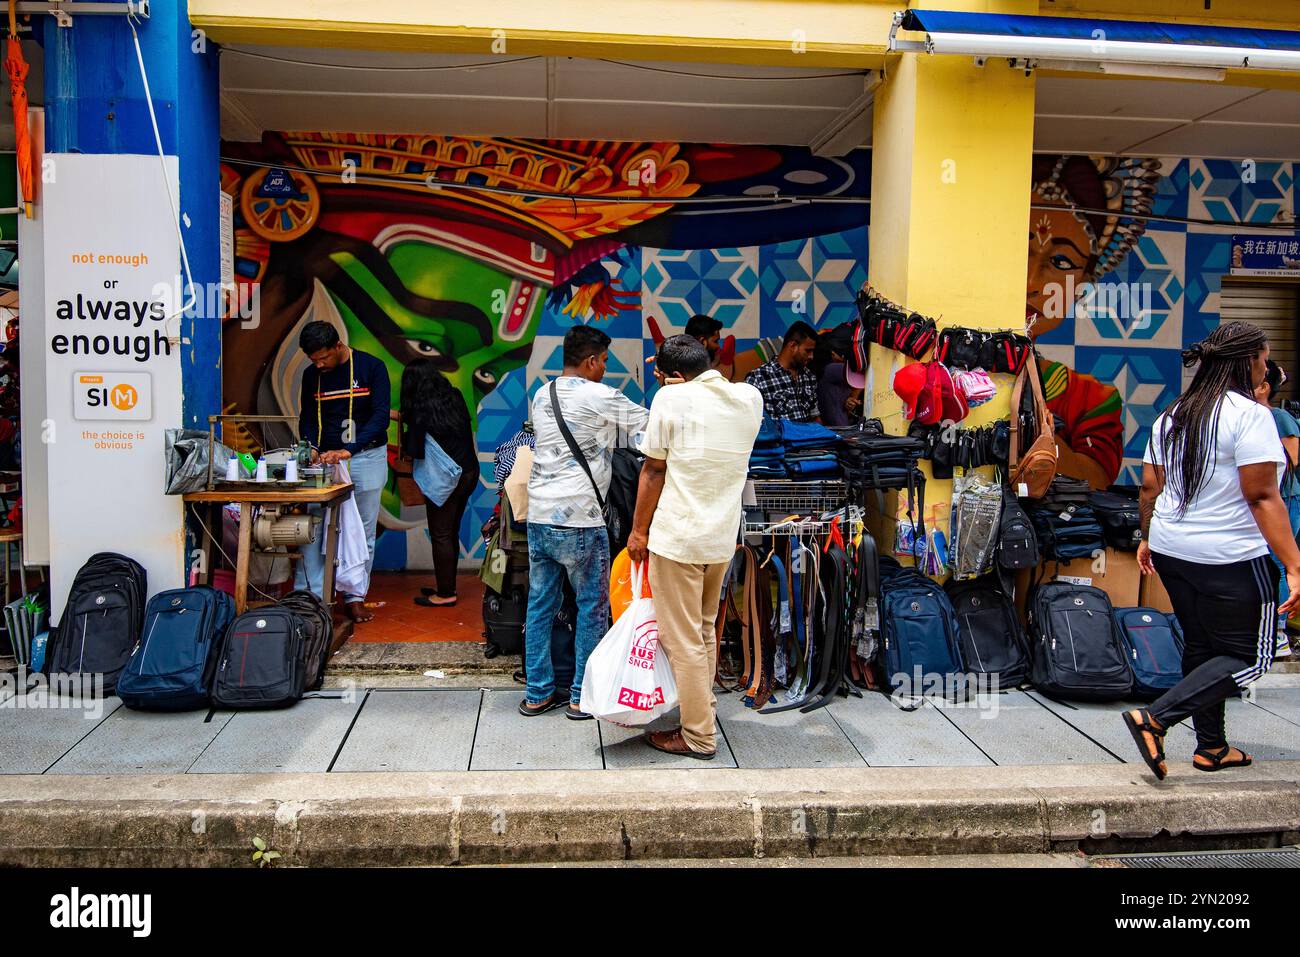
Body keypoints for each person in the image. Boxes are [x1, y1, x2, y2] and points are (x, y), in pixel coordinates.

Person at [1125, 321, 1300, 780]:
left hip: (1171, 549)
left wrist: (1146, 537)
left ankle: (1212, 748)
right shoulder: (1250, 416)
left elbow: (1149, 487)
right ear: (1248, 361)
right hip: (1231, 556)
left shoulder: (1172, 414)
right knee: (1251, 655)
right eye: (1263, 357)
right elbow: (1263, 497)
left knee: (1202, 646)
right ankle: (1156, 718)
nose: (1267, 366)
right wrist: (1295, 565)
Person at [627, 335, 762, 758]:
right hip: (719, 540)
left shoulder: (671, 400)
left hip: (679, 538)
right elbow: (716, 385)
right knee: (703, 631)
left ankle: (699, 736)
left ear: (673, 376)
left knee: (681, 638)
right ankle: (701, 713)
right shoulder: (749, 398)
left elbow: (652, 470)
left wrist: (637, 532)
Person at [520, 325, 649, 720]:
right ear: (592, 361)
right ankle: (581, 695)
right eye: (605, 361)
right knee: (591, 607)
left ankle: (537, 693)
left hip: (539, 516)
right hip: (581, 519)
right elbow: (656, 429)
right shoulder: (602, 395)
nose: (605, 369)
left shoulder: (543, 394)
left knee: (540, 606)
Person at [296, 321, 391, 623]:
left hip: (366, 456)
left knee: (362, 531)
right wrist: (310, 446)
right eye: (313, 360)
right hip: (326, 461)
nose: (319, 364)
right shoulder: (311, 376)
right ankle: (310, 595)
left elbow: (380, 416)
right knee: (314, 526)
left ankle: (355, 596)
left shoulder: (372, 367)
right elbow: (308, 418)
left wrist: (352, 449)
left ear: (338, 346)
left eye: (323, 357)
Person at [399, 359, 479, 607]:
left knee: (441, 534)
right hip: (468, 472)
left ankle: (445, 595)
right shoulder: (454, 397)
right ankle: (447, 586)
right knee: (450, 531)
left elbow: (414, 450)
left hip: (446, 479)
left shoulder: (421, 410)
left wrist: (406, 426)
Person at [1255, 359, 1298, 658]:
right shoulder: (1251, 416)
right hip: (1265, 499)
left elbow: (1296, 461)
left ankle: (1279, 631)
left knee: (1279, 562)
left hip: (1286, 500)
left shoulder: (1279, 418)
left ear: (1265, 387)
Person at [745, 320, 819, 421]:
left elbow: (815, 417)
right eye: (808, 351)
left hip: (809, 435)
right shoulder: (758, 378)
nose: (811, 356)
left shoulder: (809, 376)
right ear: (793, 346)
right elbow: (752, 423)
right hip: (778, 437)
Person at [816, 323, 864, 426]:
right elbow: (863, 374)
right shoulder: (831, 369)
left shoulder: (830, 368)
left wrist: (848, 400)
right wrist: (853, 397)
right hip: (839, 427)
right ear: (833, 352)